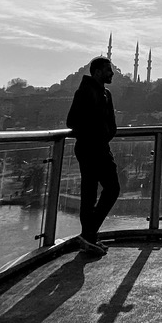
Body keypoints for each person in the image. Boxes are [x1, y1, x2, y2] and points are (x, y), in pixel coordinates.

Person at [66, 56, 120, 257]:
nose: (112, 73)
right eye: (108, 70)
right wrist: (95, 135)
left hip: (100, 147)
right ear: (97, 72)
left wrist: (105, 135)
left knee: (94, 193)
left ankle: (88, 236)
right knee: (104, 190)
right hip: (90, 148)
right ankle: (89, 235)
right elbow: (72, 121)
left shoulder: (105, 93)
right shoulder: (85, 92)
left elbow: (111, 124)